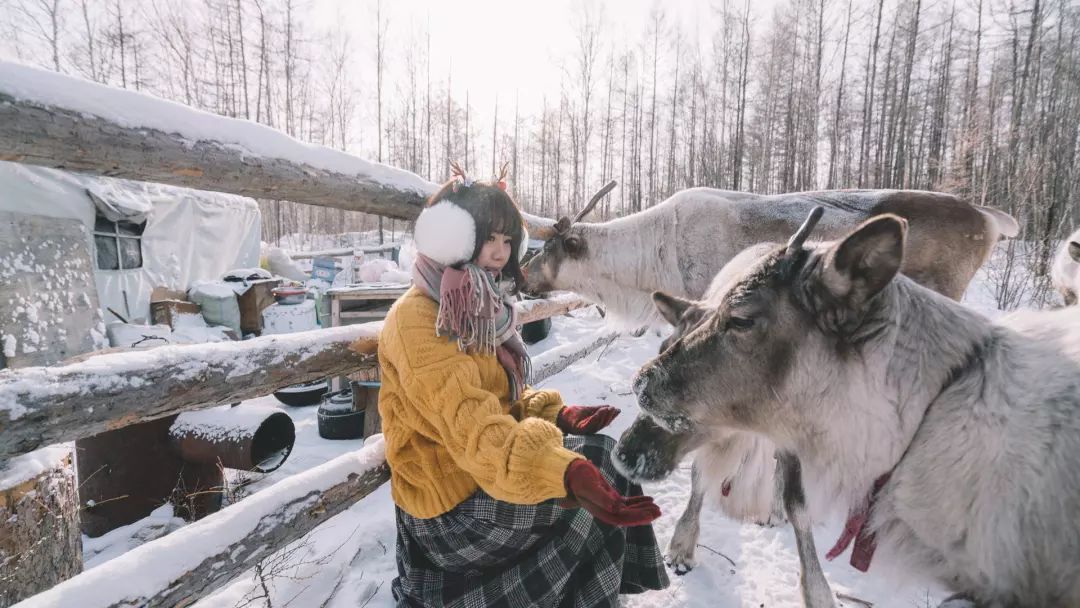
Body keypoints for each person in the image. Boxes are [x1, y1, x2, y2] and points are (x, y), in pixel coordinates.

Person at [371, 163, 670, 607]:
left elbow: (497, 402)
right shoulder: (418, 320)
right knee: (589, 471)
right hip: (446, 512)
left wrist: (558, 415)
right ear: (453, 236)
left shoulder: (475, 304)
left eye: (507, 239)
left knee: (603, 459)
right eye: (488, 237)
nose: (499, 251)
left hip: (479, 473)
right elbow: (473, 426)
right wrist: (562, 470)